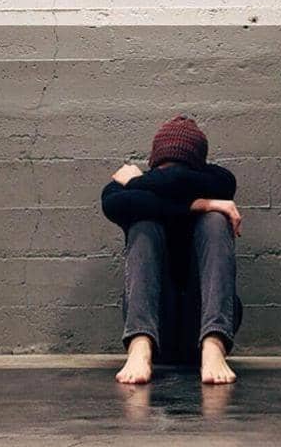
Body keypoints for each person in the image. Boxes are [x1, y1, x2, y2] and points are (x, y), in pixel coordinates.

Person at [101, 115, 243, 385]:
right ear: (155, 166)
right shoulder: (130, 193)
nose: (170, 174)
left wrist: (138, 181)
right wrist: (199, 204)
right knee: (143, 223)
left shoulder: (217, 179)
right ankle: (139, 346)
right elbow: (112, 204)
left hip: (201, 323)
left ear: (197, 170)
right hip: (156, 327)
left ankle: (214, 345)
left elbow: (179, 181)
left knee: (215, 219)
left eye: (179, 168)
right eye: (163, 169)